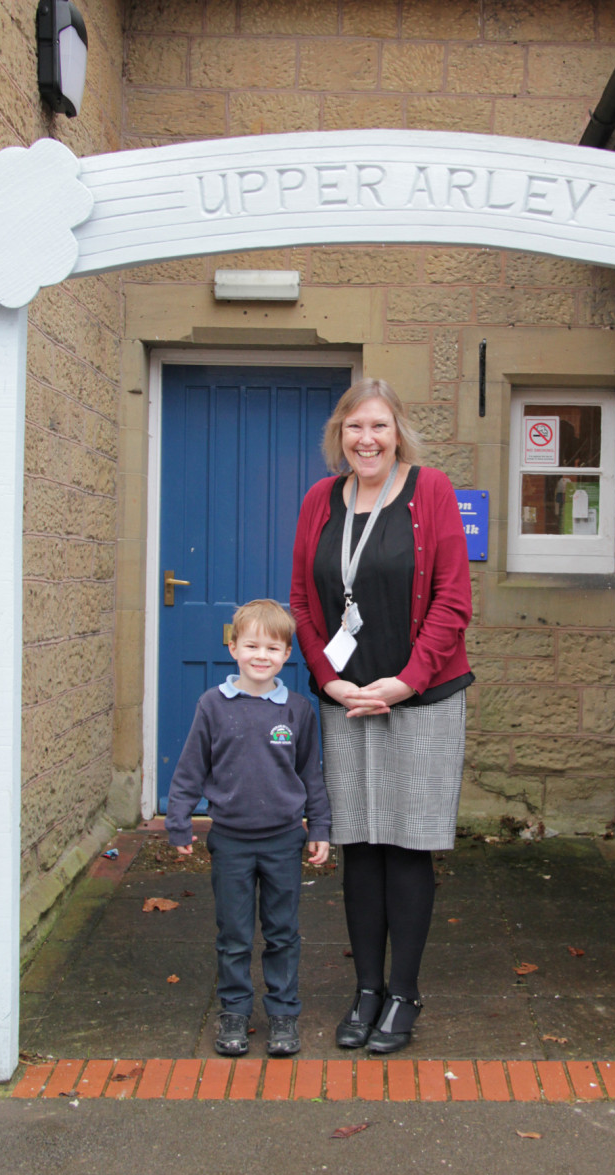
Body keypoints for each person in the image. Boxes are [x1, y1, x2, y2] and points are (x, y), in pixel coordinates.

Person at [290, 378, 473, 1053]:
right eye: (353, 428)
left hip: (420, 701)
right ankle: (365, 990)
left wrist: (403, 682)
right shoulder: (319, 500)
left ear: (397, 434)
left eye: (378, 427)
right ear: (339, 437)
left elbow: (453, 600)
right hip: (345, 702)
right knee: (360, 847)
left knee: (407, 846)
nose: (366, 439)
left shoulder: (429, 492)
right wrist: (329, 680)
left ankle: (403, 994)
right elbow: (303, 604)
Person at [165, 598, 331, 1058]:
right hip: (232, 841)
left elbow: (310, 775)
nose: (262, 655)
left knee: (282, 932)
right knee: (234, 934)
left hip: (283, 841)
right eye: (252, 645)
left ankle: (283, 1014)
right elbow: (190, 769)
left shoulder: (297, 711)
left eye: (273, 648)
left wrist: (320, 826)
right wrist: (179, 822)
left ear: (286, 655)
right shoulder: (213, 706)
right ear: (233, 647)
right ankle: (234, 1011)